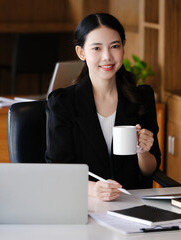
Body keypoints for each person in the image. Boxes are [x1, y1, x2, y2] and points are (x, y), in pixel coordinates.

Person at [46, 13, 161, 201]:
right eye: (97, 48)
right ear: (81, 53)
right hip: (82, 204)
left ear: (123, 48)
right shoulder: (63, 102)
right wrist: (92, 189)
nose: (107, 57)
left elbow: (150, 171)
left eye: (115, 46)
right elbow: (58, 170)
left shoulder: (141, 97)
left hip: (132, 204)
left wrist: (143, 151)